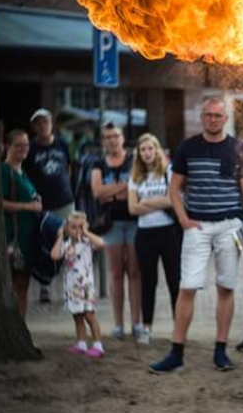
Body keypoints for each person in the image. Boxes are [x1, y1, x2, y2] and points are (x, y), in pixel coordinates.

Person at [150, 96, 243, 373]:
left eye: (217, 115)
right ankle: (176, 352)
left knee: (226, 287)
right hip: (196, 226)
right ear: (202, 117)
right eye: (208, 115)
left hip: (229, 226)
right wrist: (183, 219)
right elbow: (174, 189)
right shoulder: (188, 147)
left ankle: (220, 351)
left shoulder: (238, 148)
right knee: (187, 287)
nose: (212, 119)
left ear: (225, 118)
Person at [128, 133, 181, 346]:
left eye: (150, 148)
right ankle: (147, 327)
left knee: (174, 281)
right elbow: (132, 208)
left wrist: (146, 201)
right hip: (145, 235)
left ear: (156, 150)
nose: (147, 153)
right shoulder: (135, 177)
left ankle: (179, 328)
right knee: (148, 282)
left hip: (168, 232)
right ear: (139, 154)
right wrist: (159, 202)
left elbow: (172, 200)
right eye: (143, 150)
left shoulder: (167, 172)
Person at [90, 123, 142, 341]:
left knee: (135, 273)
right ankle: (119, 325)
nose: (112, 140)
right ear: (103, 141)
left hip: (135, 221)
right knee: (115, 273)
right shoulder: (98, 164)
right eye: (107, 136)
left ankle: (137, 324)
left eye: (116, 135)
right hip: (109, 224)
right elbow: (97, 192)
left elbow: (137, 186)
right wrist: (122, 186)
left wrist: (110, 192)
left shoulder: (134, 160)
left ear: (123, 138)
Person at [23, 108, 75, 304]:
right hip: (42, 204)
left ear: (51, 123)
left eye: (45, 122)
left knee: (69, 241)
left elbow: (68, 167)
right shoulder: (31, 148)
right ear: (34, 127)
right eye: (38, 123)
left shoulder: (62, 144)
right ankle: (44, 286)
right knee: (45, 242)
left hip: (65, 201)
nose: (42, 126)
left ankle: (70, 285)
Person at [51, 211, 106, 358]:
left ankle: (98, 344)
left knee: (90, 315)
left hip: (85, 287)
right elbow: (55, 255)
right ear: (67, 228)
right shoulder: (66, 244)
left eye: (80, 227)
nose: (77, 230)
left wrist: (87, 232)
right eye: (73, 227)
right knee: (77, 316)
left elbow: (101, 243)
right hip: (71, 287)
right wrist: (60, 236)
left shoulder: (87, 243)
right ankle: (81, 343)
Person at [1, 129, 42, 317]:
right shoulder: (4, 171)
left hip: (27, 238)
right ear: (7, 146)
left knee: (22, 287)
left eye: (26, 144)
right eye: (18, 145)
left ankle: (21, 330)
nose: (23, 148)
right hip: (13, 239)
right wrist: (27, 207)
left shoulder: (22, 172)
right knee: (13, 286)